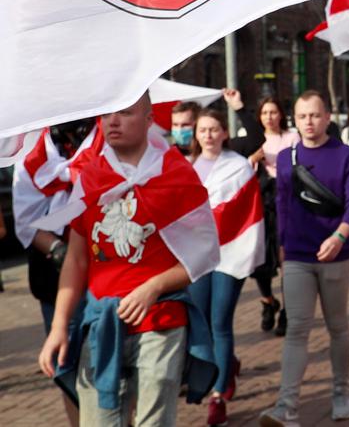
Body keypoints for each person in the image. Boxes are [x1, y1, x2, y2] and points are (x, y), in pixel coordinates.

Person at [38, 92, 221, 427]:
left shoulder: (176, 174)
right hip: (102, 322)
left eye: (124, 112)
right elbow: (77, 260)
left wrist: (153, 287)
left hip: (161, 320)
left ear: (149, 119)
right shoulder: (91, 177)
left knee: (154, 422)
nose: (113, 121)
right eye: (106, 114)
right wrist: (60, 326)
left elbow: (203, 254)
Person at [260, 91, 349, 425]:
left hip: (337, 254)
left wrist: (340, 236)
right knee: (297, 329)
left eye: (315, 115)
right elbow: (283, 204)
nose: (308, 122)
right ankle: (286, 406)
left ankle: (340, 391)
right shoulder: (287, 157)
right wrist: (282, 246)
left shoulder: (345, 155)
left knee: (337, 326)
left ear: (328, 116)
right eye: (302, 116)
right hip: (297, 257)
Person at [13, 120, 96, 427]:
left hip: (102, 267)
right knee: (68, 362)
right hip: (54, 276)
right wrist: (59, 249)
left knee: (110, 361)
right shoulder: (31, 155)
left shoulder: (100, 143)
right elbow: (26, 220)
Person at [188, 109, 266, 426]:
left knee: (220, 322)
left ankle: (217, 395)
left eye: (214, 129)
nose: (208, 135)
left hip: (229, 255)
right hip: (195, 257)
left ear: (224, 133)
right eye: (202, 130)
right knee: (202, 322)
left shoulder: (238, 167)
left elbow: (249, 213)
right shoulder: (185, 169)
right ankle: (225, 367)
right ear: (196, 134)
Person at [247, 97, 298, 337]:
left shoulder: (291, 138)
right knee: (260, 260)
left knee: (285, 257)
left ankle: (287, 311)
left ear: (280, 115)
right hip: (261, 204)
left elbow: (300, 167)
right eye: (265, 112)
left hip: (286, 202)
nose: (269, 116)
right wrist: (252, 160)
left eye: (273, 111)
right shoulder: (254, 141)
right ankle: (268, 301)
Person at [171, 89, 266, 159]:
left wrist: (239, 108)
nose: (179, 130)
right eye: (175, 125)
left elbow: (257, 140)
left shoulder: (221, 150)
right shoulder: (167, 155)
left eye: (185, 125)